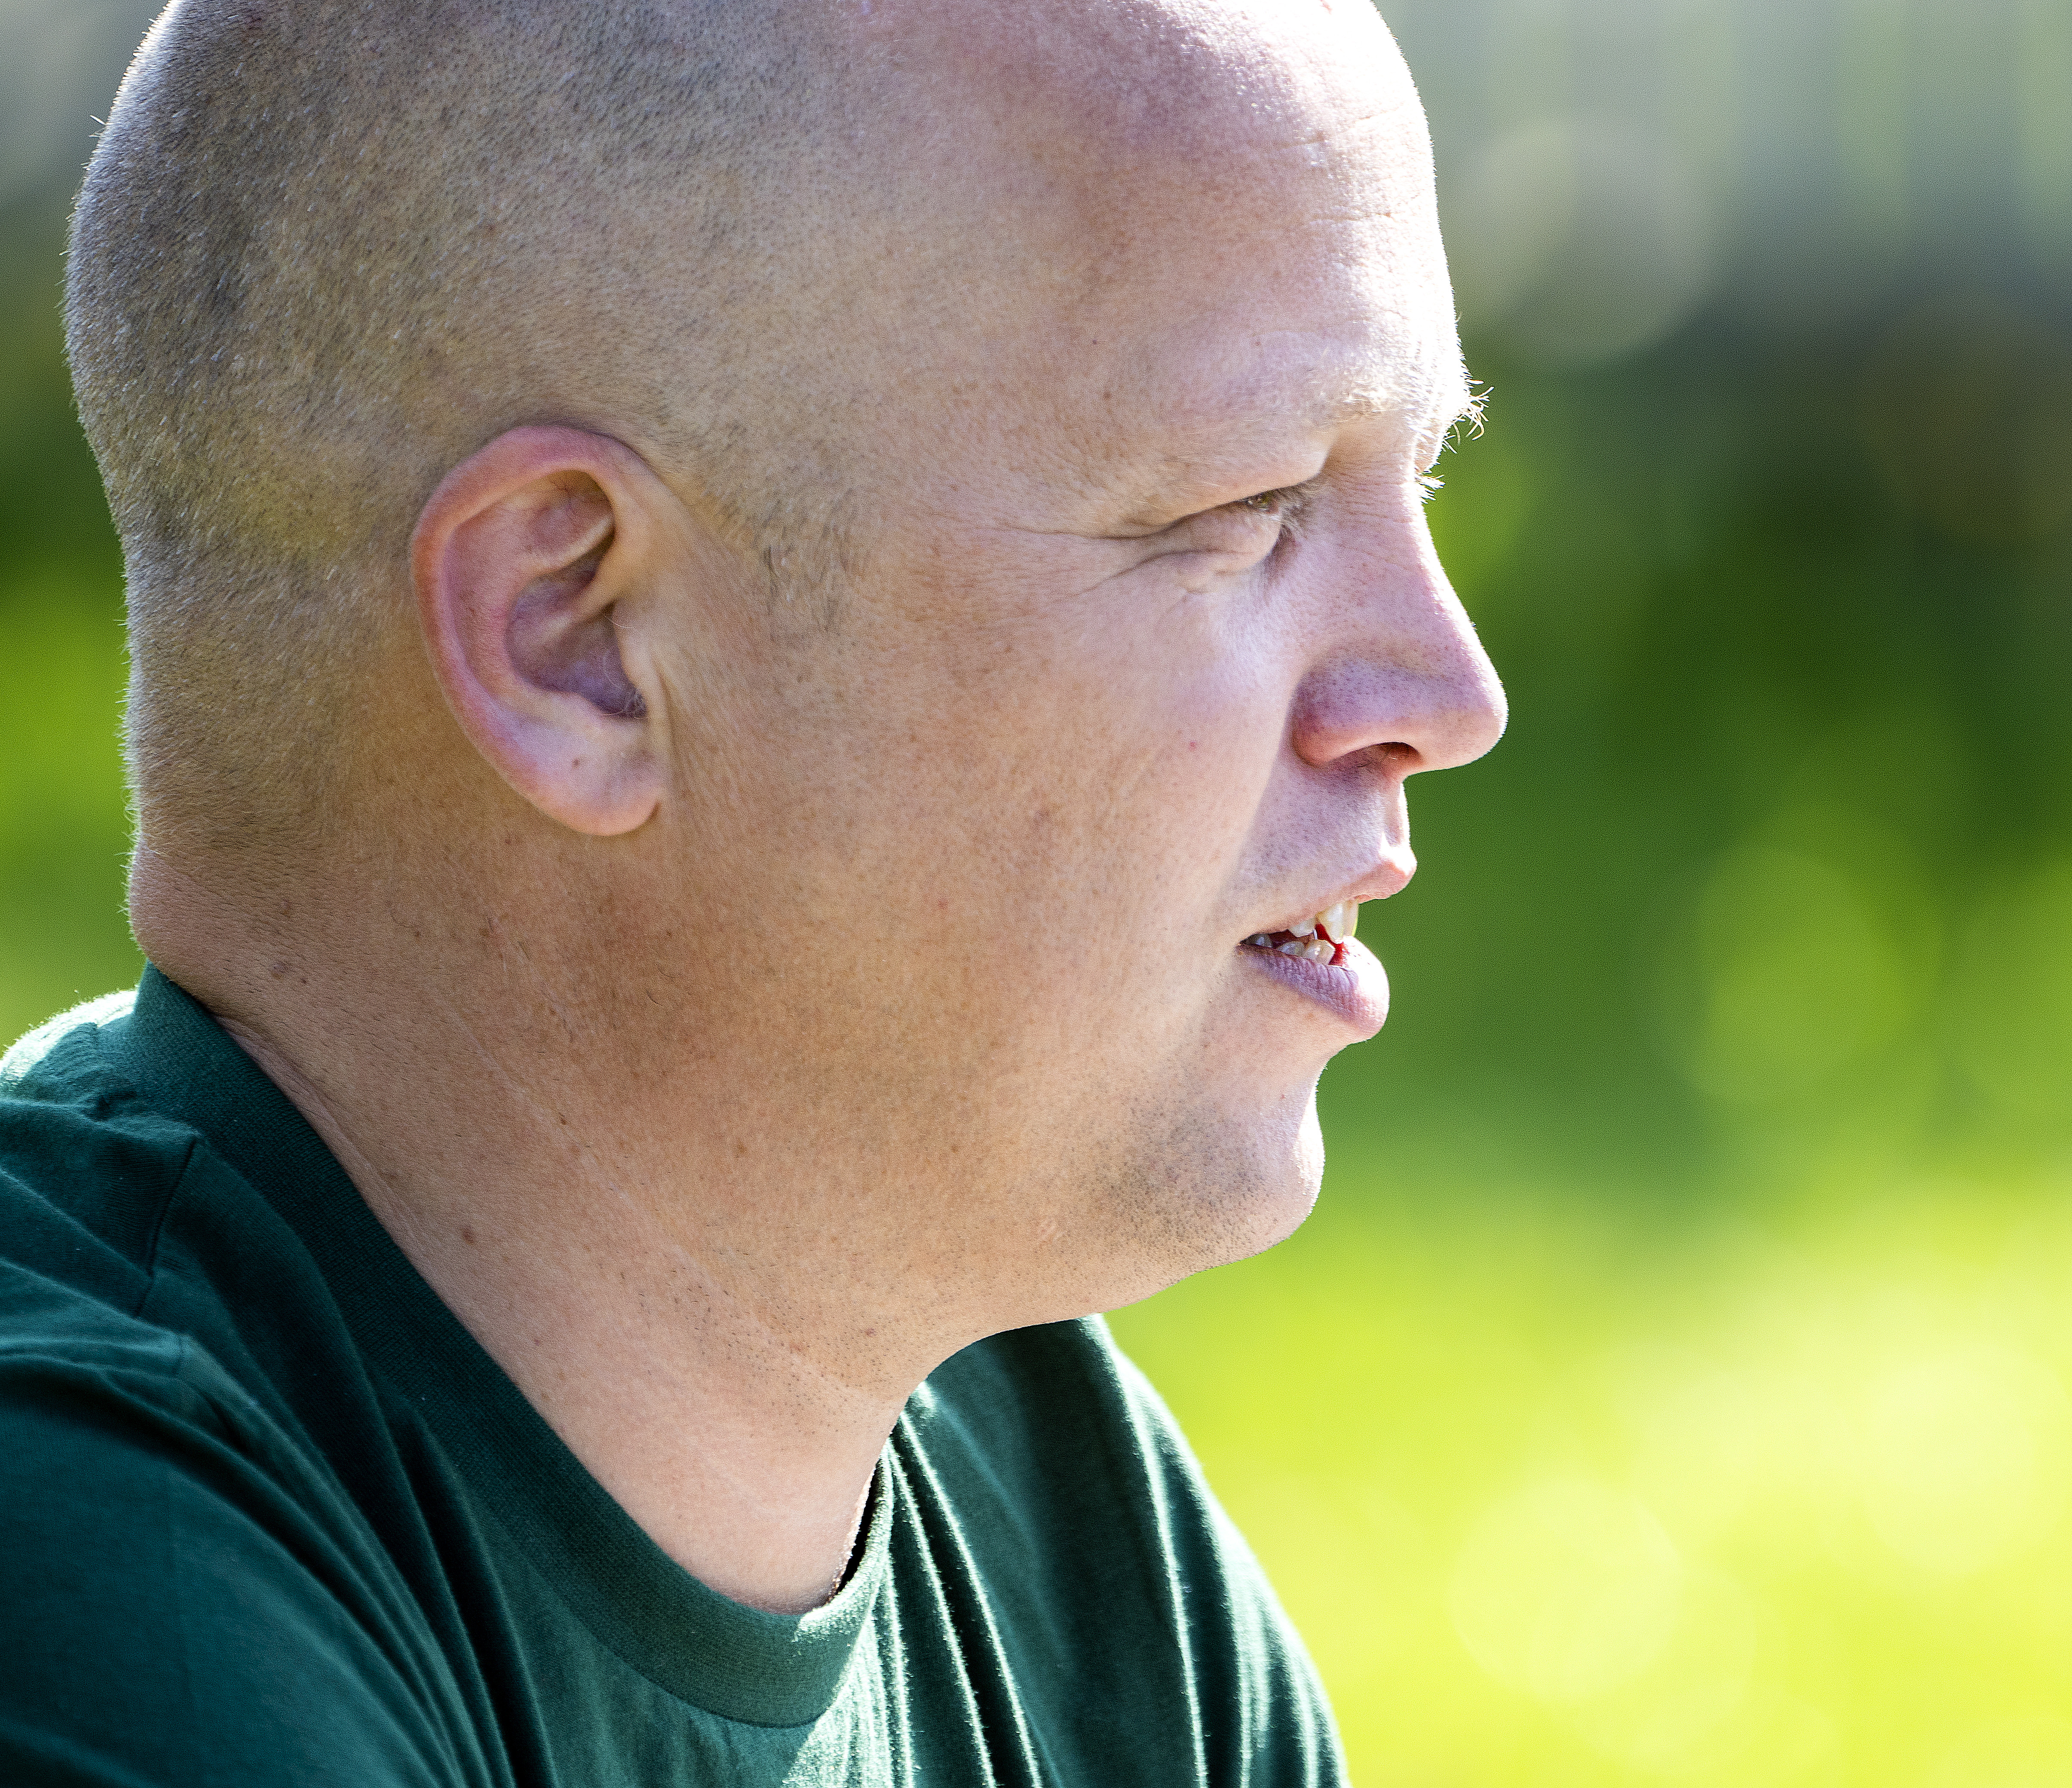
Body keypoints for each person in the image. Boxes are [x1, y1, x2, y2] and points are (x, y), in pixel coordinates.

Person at [0, 0, 1505, 1778]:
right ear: (582, 639)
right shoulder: (104, 1604)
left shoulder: (1069, 1543)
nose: (1448, 696)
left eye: (1407, 481)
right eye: (1249, 506)